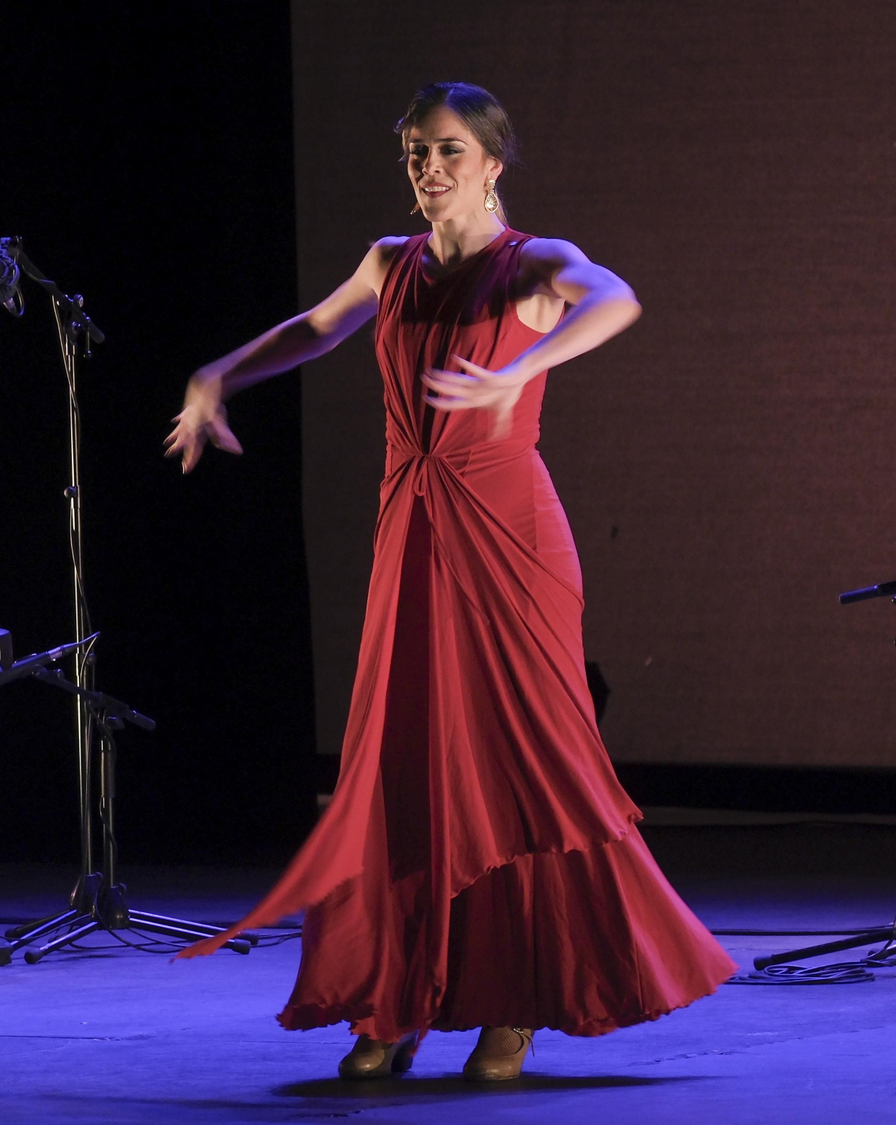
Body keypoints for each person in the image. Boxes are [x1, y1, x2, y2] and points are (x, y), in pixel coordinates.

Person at [167, 82, 736, 1080]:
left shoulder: (533, 265)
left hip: (509, 535)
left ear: (491, 163)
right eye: (415, 155)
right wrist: (218, 374)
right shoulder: (390, 264)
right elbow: (316, 326)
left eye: (446, 153)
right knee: (408, 768)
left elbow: (615, 297)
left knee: (517, 765)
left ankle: (514, 1000)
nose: (428, 171)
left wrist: (521, 368)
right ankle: (397, 998)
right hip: (411, 528)